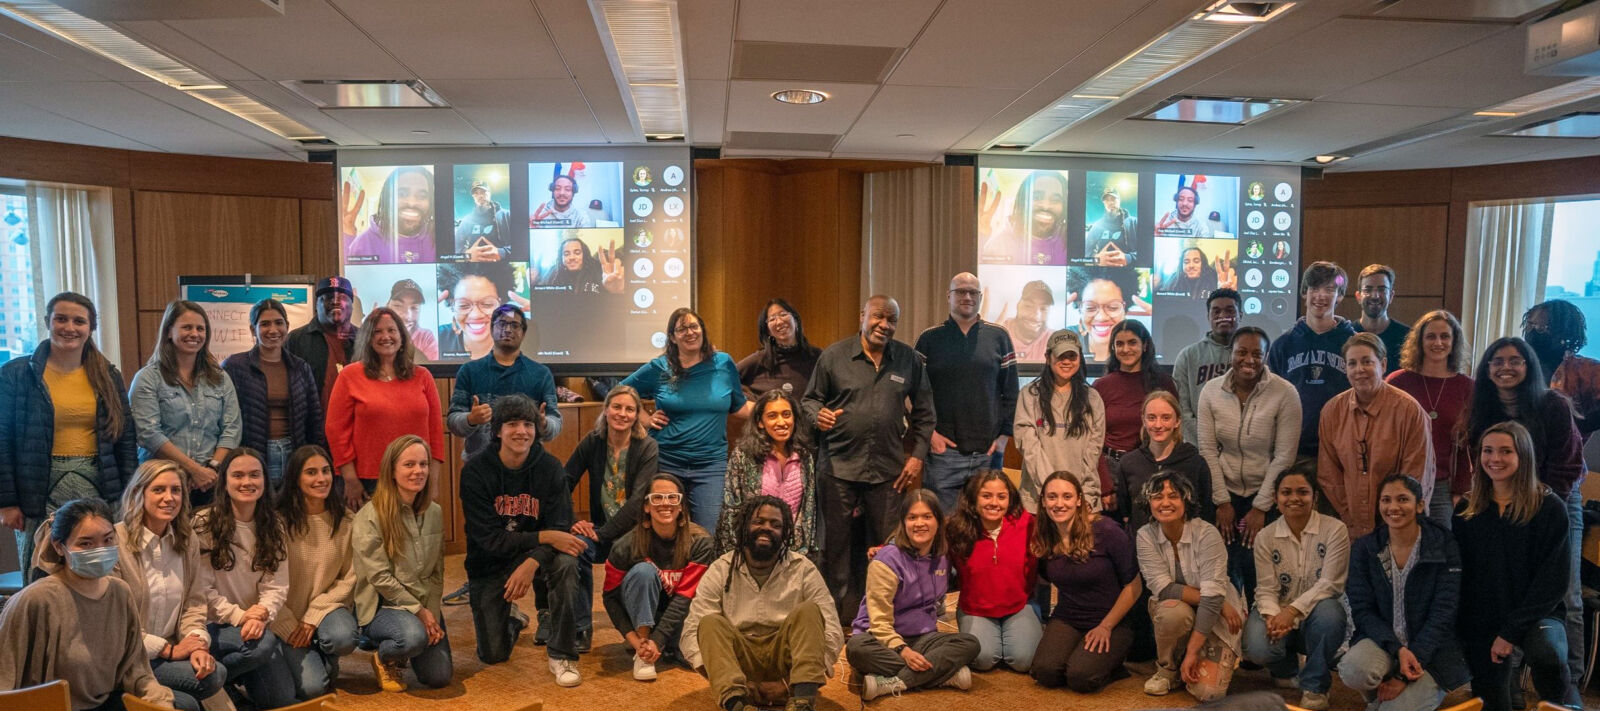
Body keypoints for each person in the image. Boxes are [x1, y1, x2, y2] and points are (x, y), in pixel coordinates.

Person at [1464, 335, 1586, 693]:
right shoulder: (1483, 409)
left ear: (1529, 365)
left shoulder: (1552, 405)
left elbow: (1566, 468)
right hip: (1502, 502)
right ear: (1487, 369)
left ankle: (1570, 684)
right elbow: (1483, 463)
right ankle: (1509, 680)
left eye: (1515, 360)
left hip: (1555, 503)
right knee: (1506, 588)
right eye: (1497, 361)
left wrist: (1538, 508)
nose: (1506, 367)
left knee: (1569, 595)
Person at [803, 295, 935, 623]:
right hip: (837, 468)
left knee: (889, 549)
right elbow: (809, 400)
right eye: (878, 316)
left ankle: (881, 619)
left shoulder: (908, 360)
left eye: (892, 320)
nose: (884, 325)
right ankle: (832, 622)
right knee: (836, 550)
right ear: (863, 315)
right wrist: (817, 415)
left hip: (889, 472)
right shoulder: (833, 356)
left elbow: (926, 414)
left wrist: (917, 457)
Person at [0, 292, 137, 576]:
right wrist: (7, 501)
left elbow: (125, 439)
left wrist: (128, 496)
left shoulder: (108, 375)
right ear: (47, 321)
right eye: (61, 319)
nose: (69, 327)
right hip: (36, 490)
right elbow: (2, 440)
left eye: (79, 321)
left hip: (98, 485)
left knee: (98, 570)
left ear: (91, 327)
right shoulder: (17, 373)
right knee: (41, 571)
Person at [459, 394, 587, 682]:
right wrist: (545, 536)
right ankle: (513, 619)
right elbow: (489, 540)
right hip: (490, 561)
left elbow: (561, 529)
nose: (521, 431)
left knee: (566, 563)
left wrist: (531, 563)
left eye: (528, 424)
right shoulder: (475, 472)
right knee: (493, 654)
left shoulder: (551, 468)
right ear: (497, 431)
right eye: (512, 424)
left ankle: (562, 655)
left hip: (537, 556)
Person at [0, 499, 174, 709]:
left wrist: (160, 702)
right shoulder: (35, 600)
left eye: (108, 540)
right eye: (86, 543)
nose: (100, 550)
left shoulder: (120, 592)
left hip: (106, 701)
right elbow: (4, 681)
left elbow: (137, 670)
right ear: (59, 547)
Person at [1454, 421, 1580, 711]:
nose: (1494, 459)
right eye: (1488, 451)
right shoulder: (1467, 510)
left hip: (1537, 613)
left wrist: (1510, 632)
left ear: (1523, 456)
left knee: (1548, 653)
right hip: (1484, 618)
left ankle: (1561, 703)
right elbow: (1465, 576)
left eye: (1505, 451)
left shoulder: (1550, 508)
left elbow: (1553, 581)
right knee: (1493, 704)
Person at [682, 497, 843, 711]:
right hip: (739, 666)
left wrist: (787, 684)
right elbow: (691, 634)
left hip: (788, 664)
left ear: (785, 533)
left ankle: (803, 701)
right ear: (744, 525)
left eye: (775, 524)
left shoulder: (803, 569)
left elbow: (833, 631)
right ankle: (737, 704)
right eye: (759, 521)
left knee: (810, 612)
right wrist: (720, 677)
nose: (766, 528)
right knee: (709, 623)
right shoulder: (721, 569)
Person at [1337, 474, 1467, 711]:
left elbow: (1444, 614)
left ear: (1419, 505)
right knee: (1352, 669)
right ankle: (1382, 697)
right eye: (1386, 500)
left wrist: (1403, 677)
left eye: (1402, 499)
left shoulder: (1443, 544)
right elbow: (1362, 610)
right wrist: (1397, 649)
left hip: (1432, 653)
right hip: (1386, 643)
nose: (1393, 507)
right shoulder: (1366, 548)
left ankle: (1390, 698)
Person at [102, 461, 224, 711]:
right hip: (127, 657)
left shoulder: (187, 538)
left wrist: (196, 644)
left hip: (167, 652)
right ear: (139, 493)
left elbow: (194, 603)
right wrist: (169, 650)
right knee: (189, 704)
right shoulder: (114, 540)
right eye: (159, 490)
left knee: (213, 674)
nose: (169, 498)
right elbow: (114, 623)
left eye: (176, 490)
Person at [621, 307, 748, 531]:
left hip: (710, 464)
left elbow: (739, 406)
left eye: (694, 326)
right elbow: (623, 391)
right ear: (672, 337)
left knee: (707, 533)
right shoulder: (660, 367)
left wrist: (776, 409)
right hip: (666, 461)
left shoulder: (723, 363)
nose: (689, 332)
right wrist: (645, 419)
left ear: (702, 330)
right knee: (664, 529)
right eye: (681, 329)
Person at [846, 491, 980, 700]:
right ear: (903, 523)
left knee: (970, 644)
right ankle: (941, 675)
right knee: (856, 650)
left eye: (927, 516)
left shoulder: (942, 556)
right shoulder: (887, 560)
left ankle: (893, 682)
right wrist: (903, 651)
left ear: (938, 521)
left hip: (922, 637)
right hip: (879, 638)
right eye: (912, 517)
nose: (920, 523)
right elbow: (879, 621)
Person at [1197, 326, 1301, 598]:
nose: (1249, 360)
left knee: (1260, 568)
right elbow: (1207, 449)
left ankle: (1262, 627)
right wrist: (1221, 501)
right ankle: (1227, 632)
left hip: (1265, 493)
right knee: (1225, 567)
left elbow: (1284, 456)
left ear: (1266, 356)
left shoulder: (1285, 393)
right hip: (1224, 493)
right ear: (1231, 353)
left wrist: (1261, 506)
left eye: (1257, 353)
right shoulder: (1210, 391)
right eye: (1242, 352)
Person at [193, 448, 296, 709]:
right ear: (224, 482)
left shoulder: (275, 524)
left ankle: (228, 678)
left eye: (254, 475)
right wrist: (242, 617)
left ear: (264, 479)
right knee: (264, 648)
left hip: (255, 625)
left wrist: (262, 612)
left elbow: (277, 585)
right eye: (238, 475)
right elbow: (201, 590)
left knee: (280, 698)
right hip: (215, 625)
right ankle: (212, 682)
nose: (247, 482)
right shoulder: (204, 523)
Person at [1243, 467, 1350, 711]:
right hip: (1278, 610)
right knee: (1258, 647)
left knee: (1329, 614)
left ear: (1315, 497)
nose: (1294, 498)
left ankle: (1315, 686)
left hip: (1319, 610)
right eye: (1286, 492)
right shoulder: (1266, 536)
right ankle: (1286, 670)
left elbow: (1331, 583)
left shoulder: (1335, 529)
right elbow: (1266, 587)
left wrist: (1290, 612)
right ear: (1275, 499)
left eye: (1302, 492)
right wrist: (1272, 617)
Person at [351, 435, 451, 691]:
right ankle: (384, 656)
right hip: (384, 607)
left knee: (438, 677)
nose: (418, 471)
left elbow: (437, 572)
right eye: (409, 465)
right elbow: (380, 578)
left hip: (422, 605)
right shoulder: (370, 516)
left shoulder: (435, 512)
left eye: (423, 464)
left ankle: (411, 640)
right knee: (411, 638)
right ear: (392, 470)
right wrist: (420, 612)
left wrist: (432, 612)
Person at [1134, 471, 1243, 701]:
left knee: (1209, 693)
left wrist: (1193, 651)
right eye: (1157, 496)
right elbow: (1164, 590)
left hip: (1214, 616)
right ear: (1148, 502)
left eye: (1173, 496)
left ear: (1186, 500)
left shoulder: (1207, 534)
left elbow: (1213, 598)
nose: (1165, 502)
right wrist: (1220, 603)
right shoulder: (1145, 535)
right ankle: (1168, 670)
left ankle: (1192, 653)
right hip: (1184, 608)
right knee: (1172, 611)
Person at [915, 272, 1019, 511]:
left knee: (985, 530)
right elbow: (914, 394)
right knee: (942, 531)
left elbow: (1011, 393)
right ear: (948, 297)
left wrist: (1003, 438)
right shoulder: (929, 338)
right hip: (943, 455)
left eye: (973, 292)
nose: (967, 296)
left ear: (980, 297)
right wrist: (930, 435)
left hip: (988, 454)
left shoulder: (999, 337)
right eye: (960, 291)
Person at [1030, 472, 1141, 693]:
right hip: (1068, 617)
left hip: (1112, 620)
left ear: (1079, 499)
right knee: (1045, 672)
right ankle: (1082, 655)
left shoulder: (1106, 531)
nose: (1059, 504)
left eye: (1067, 496)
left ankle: (1112, 665)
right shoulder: (1046, 534)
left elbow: (1134, 585)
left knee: (1080, 678)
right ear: (1043, 501)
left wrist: (1106, 626)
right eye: (1052, 497)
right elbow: (1041, 577)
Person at [325, 307, 444, 510]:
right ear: (367, 338)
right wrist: (350, 479)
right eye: (377, 332)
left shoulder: (423, 376)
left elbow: (435, 433)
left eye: (391, 330)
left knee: (412, 540)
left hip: (415, 478)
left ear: (402, 336)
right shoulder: (350, 376)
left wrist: (432, 480)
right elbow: (336, 430)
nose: (385, 336)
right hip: (367, 481)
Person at [1318, 333, 1434, 539]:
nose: (1359, 369)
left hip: (1398, 525)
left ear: (1383, 364)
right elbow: (1329, 473)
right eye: (1352, 363)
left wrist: (1394, 514)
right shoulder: (1332, 411)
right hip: (1349, 525)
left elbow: (1415, 475)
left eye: (1367, 362)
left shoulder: (1409, 411)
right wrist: (1350, 515)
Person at [602, 473, 715, 681]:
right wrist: (638, 641)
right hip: (642, 615)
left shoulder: (701, 542)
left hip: (680, 614)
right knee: (643, 572)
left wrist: (659, 640)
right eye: (657, 498)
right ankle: (643, 653)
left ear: (681, 506)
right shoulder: (625, 546)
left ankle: (665, 644)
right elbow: (610, 597)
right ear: (646, 506)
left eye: (673, 498)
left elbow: (684, 598)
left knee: (696, 659)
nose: (665, 504)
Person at [130, 300, 242, 507]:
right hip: (162, 482)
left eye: (201, 328)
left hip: (210, 483)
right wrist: (194, 470)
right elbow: (148, 433)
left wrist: (211, 469)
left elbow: (232, 428)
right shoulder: (148, 378)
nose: (195, 334)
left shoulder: (220, 378)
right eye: (186, 327)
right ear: (169, 332)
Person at [270, 445, 359, 700]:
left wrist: (313, 617)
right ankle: (307, 653)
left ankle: (323, 646)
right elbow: (264, 585)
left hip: (325, 611)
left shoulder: (346, 520)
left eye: (326, 471)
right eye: (311, 472)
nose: (321, 479)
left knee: (343, 637)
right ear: (295, 478)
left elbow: (350, 578)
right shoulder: (277, 522)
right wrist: (289, 626)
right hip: (284, 618)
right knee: (313, 689)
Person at [222, 299, 326, 485]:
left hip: (294, 452)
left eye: (279, 323)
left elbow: (314, 417)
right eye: (265, 324)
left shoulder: (300, 367)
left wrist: (316, 457)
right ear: (253, 330)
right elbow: (225, 417)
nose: (273, 330)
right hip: (253, 454)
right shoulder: (235, 366)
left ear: (287, 326)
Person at [944, 472, 1039, 674]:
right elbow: (922, 538)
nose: (994, 503)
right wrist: (888, 548)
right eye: (986, 496)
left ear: (1010, 499)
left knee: (1024, 660)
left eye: (1001, 497)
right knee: (983, 659)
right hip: (976, 608)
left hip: (1018, 605)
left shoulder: (1027, 524)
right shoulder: (955, 528)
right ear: (973, 498)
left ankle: (1019, 634)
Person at [1385, 310, 1474, 525]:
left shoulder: (1467, 387)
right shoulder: (1397, 382)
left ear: (1454, 342)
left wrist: (1461, 489)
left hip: (1443, 486)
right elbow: (1384, 434)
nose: (1438, 342)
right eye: (1431, 336)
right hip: (1400, 480)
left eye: (1445, 336)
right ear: (1419, 341)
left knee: (1438, 552)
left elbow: (1467, 444)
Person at [448, 304, 563, 464]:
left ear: (523, 333)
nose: (508, 330)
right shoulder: (469, 371)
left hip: (528, 466)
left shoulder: (540, 374)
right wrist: (470, 419)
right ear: (491, 329)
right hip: (480, 467)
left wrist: (544, 424)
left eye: (515, 325)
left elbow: (555, 422)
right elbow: (453, 421)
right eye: (502, 324)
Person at [1269, 261, 1358, 462]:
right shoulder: (1283, 344)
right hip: (1294, 449)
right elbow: (1271, 399)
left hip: (1342, 449)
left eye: (1330, 289)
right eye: (1314, 288)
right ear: (1304, 293)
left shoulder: (1354, 344)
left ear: (1340, 295)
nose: (1321, 296)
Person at [1014, 330, 1105, 512]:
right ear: (1048, 357)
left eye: (1072, 356)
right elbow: (1029, 448)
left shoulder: (1092, 398)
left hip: (1079, 499)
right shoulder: (1030, 395)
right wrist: (1053, 492)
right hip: (1037, 499)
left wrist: (1082, 494)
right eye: (1060, 356)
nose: (1066, 362)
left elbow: (1093, 451)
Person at [718, 390, 817, 556]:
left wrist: (802, 552)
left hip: (793, 552)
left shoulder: (805, 456)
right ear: (760, 422)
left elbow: (808, 510)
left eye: (786, 414)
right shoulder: (744, 455)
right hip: (752, 549)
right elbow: (731, 506)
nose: (781, 422)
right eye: (772, 416)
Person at [1094, 319, 1176, 515]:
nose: (1125, 349)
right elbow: (1093, 440)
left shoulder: (1164, 383)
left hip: (1150, 465)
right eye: (1119, 344)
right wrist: (1105, 486)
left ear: (1144, 345)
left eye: (1132, 342)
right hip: (1110, 469)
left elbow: (1173, 431)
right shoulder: (1101, 386)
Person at [1114, 391, 1213, 532]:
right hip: (1142, 547)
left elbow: (1206, 512)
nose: (1158, 425)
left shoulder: (1196, 463)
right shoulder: (1129, 463)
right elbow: (1125, 512)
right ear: (1143, 420)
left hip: (1187, 547)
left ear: (1177, 421)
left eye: (1166, 418)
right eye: (1151, 418)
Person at [1173, 289, 1241, 443]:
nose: (1222, 316)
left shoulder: (1253, 357)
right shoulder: (1187, 356)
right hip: (1198, 447)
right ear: (1208, 316)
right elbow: (1182, 408)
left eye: (1229, 310)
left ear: (1240, 314)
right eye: (1216, 311)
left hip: (1240, 447)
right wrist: (1206, 438)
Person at [1526, 299, 1600, 436]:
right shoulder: (1518, 367)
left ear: (1563, 333)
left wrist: (1580, 425)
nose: (1534, 332)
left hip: (1569, 451)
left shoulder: (1586, 370)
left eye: (1542, 328)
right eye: (1531, 325)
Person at [285, 276, 357, 410]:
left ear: (352, 304)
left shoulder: (364, 340)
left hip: (356, 426)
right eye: (328, 297)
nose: (335, 302)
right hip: (313, 427)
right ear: (317, 305)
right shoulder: (296, 340)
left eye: (342, 297)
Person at [344, 166, 436, 264]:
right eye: (401, 194)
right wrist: (346, 238)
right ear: (388, 198)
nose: (411, 203)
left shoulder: (437, 240)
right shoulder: (363, 242)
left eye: (422, 196)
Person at [735, 298, 822, 399]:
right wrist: (753, 403)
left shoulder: (817, 356)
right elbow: (727, 379)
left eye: (783, 314)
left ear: (796, 320)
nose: (779, 322)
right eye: (772, 319)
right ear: (768, 331)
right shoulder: (760, 359)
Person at [979, 170, 1067, 265]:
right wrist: (980, 237)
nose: (1045, 206)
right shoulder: (1000, 244)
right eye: (1036, 197)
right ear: (1022, 201)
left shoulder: (1070, 243)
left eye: (1056, 200)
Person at [438, 261, 520, 360]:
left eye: (487, 304)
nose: (476, 315)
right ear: (452, 305)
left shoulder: (521, 336)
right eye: (464, 305)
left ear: (500, 304)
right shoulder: (437, 337)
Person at [1070, 267, 1148, 364]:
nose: (1101, 317)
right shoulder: (1066, 338)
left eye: (1113, 307)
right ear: (1079, 308)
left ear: (1125, 308)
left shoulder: (1142, 340)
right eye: (1090, 307)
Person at [1354, 265, 1410, 374]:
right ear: (1358, 296)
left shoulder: (1408, 338)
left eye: (1382, 290)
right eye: (1368, 289)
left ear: (1391, 296)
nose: (1375, 296)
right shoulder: (1346, 334)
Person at [539, 235, 623, 294]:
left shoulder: (598, 270)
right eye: (566, 254)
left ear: (584, 255)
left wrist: (616, 292)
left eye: (577, 253)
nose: (571, 257)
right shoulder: (553, 274)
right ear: (561, 259)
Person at [454, 181, 513, 262]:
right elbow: (456, 249)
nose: (480, 196)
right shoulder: (466, 221)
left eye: (483, 192)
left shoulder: (507, 215)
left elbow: (521, 245)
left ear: (489, 193)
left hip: (501, 267)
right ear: (473, 197)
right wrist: (468, 256)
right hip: (475, 269)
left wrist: (501, 253)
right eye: (476, 193)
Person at [1000, 280, 1055, 362]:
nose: (1036, 316)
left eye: (1043, 309)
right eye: (1028, 306)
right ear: (1018, 306)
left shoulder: (1054, 340)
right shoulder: (1000, 332)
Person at [385, 279, 438, 361]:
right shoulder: (376, 334)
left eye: (414, 308)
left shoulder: (425, 337)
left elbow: (432, 369)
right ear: (387, 307)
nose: (407, 316)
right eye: (398, 306)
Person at [1085, 185, 1137, 266]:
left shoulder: (1134, 223)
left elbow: (1146, 252)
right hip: (1102, 273)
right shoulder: (1096, 226)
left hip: (1127, 271)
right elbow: (1086, 255)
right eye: (1107, 200)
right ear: (1104, 203)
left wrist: (1128, 258)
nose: (1110, 202)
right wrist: (1097, 260)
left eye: (1113, 199)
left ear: (1119, 200)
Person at [531, 173, 595, 229]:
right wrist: (532, 229)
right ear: (552, 190)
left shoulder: (581, 216)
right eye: (557, 188)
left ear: (573, 192)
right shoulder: (540, 214)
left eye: (567, 189)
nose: (562, 193)